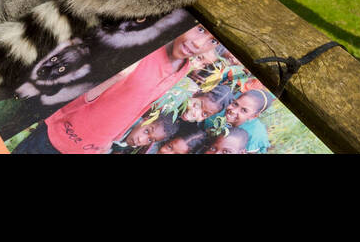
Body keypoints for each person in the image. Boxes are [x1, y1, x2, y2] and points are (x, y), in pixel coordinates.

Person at [13, 25, 221, 154]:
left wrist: (109, 141)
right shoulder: (144, 44)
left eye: (213, 40)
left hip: (91, 147)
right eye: (200, 29)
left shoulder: (183, 69)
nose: (198, 43)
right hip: (60, 135)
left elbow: (137, 107)